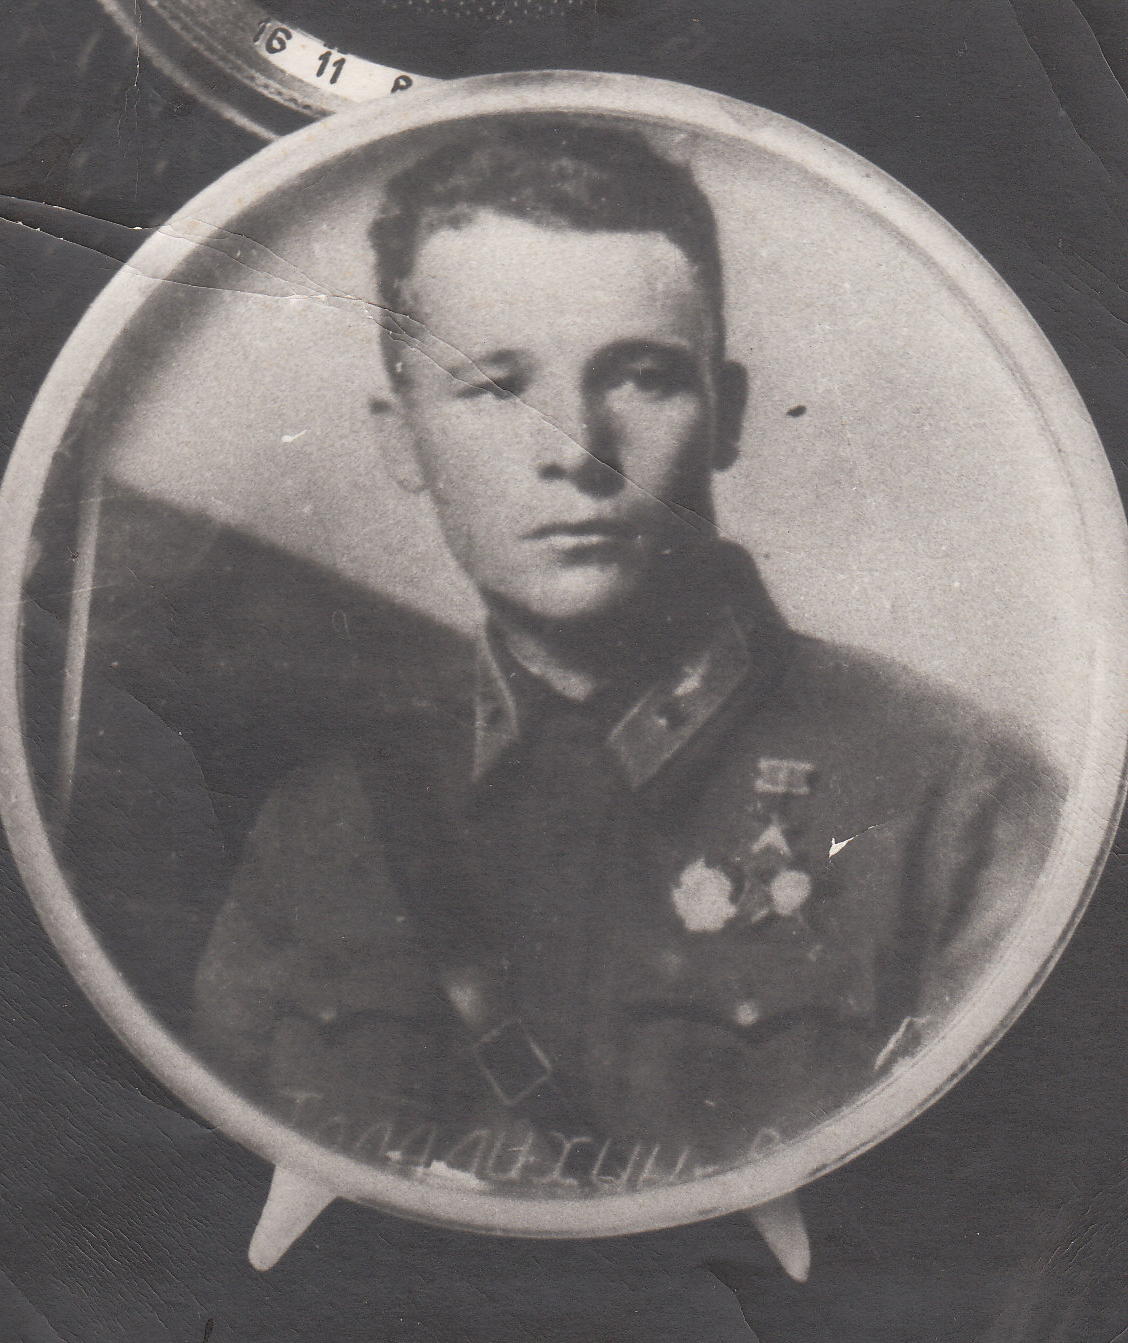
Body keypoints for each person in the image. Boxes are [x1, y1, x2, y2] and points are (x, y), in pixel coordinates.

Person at [192, 117, 1062, 1192]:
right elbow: (216, 1200)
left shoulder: (954, 800)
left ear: (726, 414)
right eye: (493, 385)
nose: (575, 449)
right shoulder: (321, 827)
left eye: (642, 376)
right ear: (401, 437)